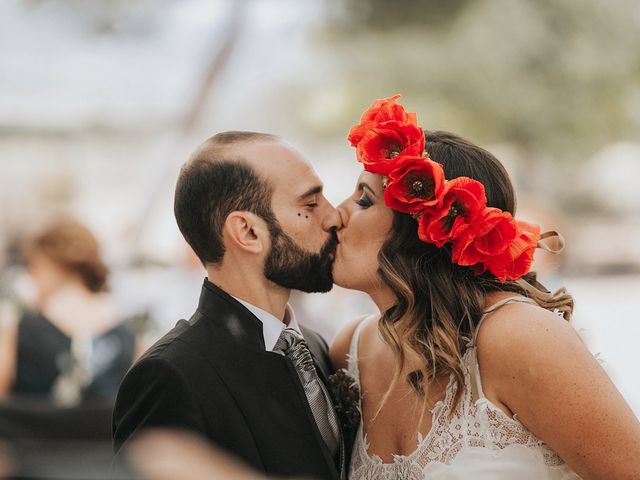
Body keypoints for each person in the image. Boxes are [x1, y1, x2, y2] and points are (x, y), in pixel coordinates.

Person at [329, 96, 640, 479]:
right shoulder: (350, 351)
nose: (334, 214)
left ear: (423, 231)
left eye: (363, 199)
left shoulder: (519, 337)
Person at [112, 132, 346, 480]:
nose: (334, 216)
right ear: (248, 232)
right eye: (310, 205)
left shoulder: (315, 346)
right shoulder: (170, 375)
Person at [0, 220, 135, 406]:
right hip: (103, 434)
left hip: (34, 433)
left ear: (55, 264)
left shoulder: (19, 328)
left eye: (34, 267)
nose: (31, 277)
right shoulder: (126, 333)